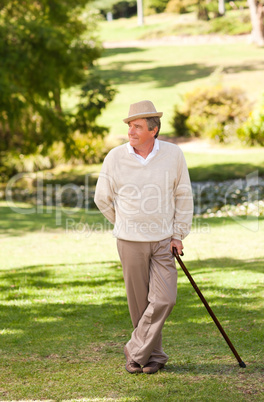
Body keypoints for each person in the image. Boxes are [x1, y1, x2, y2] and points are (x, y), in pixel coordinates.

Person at [94, 100, 193, 374]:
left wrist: (178, 233)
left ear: (154, 129)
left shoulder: (173, 155)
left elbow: (183, 196)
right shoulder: (115, 157)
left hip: (164, 241)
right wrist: (125, 223)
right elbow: (102, 199)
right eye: (129, 126)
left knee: (164, 299)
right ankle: (151, 358)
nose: (130, 131)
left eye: (137, 126)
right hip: (129, 242)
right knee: (139, 305)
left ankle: (134, 350)